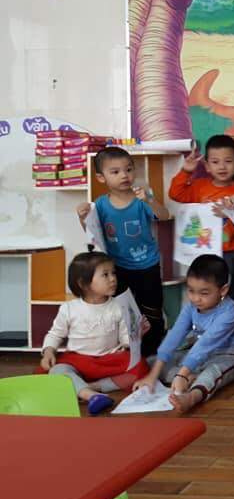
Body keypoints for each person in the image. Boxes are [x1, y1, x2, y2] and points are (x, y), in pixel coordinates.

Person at [76, 146, 170, 356]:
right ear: (101, 177)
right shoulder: (100, 205)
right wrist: (83, 218)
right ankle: (128, 350)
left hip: (148, 264)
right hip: (117, 267)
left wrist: (150, 200)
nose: (124, 175)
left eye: (128, 169)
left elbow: (164, 216)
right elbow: (92, 233)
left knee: (152, 310)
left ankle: (152, 352)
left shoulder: (141, 199)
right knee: (123, 310)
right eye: (115, 171)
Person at [134, 255, 234, 413]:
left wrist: (181, 374)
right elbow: (175, 335)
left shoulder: (230, 312)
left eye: (204, 293)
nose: (195, 298)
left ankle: (192, 396)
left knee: (212, 373)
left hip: (228, 353)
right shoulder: (191, 307)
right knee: (151, 362)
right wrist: (153, 375)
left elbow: (205, 344)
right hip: (196, 354)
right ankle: (190, 376)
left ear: (223, 290)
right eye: (191, 291)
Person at [39, 252, 149, 414]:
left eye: (113, 273)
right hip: (77, 360)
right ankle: (91, 396)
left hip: (109, 360)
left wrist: (134, 337)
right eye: (105, 275)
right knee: (57, 370)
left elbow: (125, 338)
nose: (113, 279)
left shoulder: (119, 306)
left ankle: (92, 387)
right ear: (83, 283)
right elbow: (55, 334)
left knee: (141, 366)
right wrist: (49, 352)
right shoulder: (69, 308)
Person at [168, 135, 234, 309]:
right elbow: (175, 194)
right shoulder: (199, 186)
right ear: (207, 166)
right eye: (215, 162)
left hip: (229, 252)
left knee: (228, 292)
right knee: (204, 291)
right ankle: (205, 320)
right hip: (203, 252)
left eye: (228, 161)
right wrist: (186, 171)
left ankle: (228, 321)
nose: (222, 166)